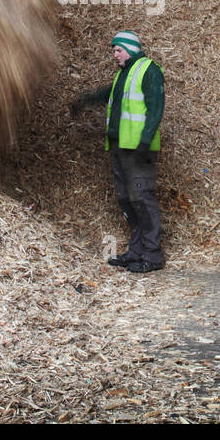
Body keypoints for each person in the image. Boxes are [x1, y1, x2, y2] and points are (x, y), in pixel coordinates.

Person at [71, 30, 165, 273]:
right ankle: (136, 252)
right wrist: (86, 100)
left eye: (118, 50)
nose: (114, 55)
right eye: (114, 50)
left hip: (137, 149)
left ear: (131, 49)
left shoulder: (149, 70)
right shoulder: (124, 75)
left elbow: (156, 107)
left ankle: (152, 256)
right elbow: (109, 95)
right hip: (120, 147)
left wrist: (145, 141)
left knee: (142, 198)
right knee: (126, 199)